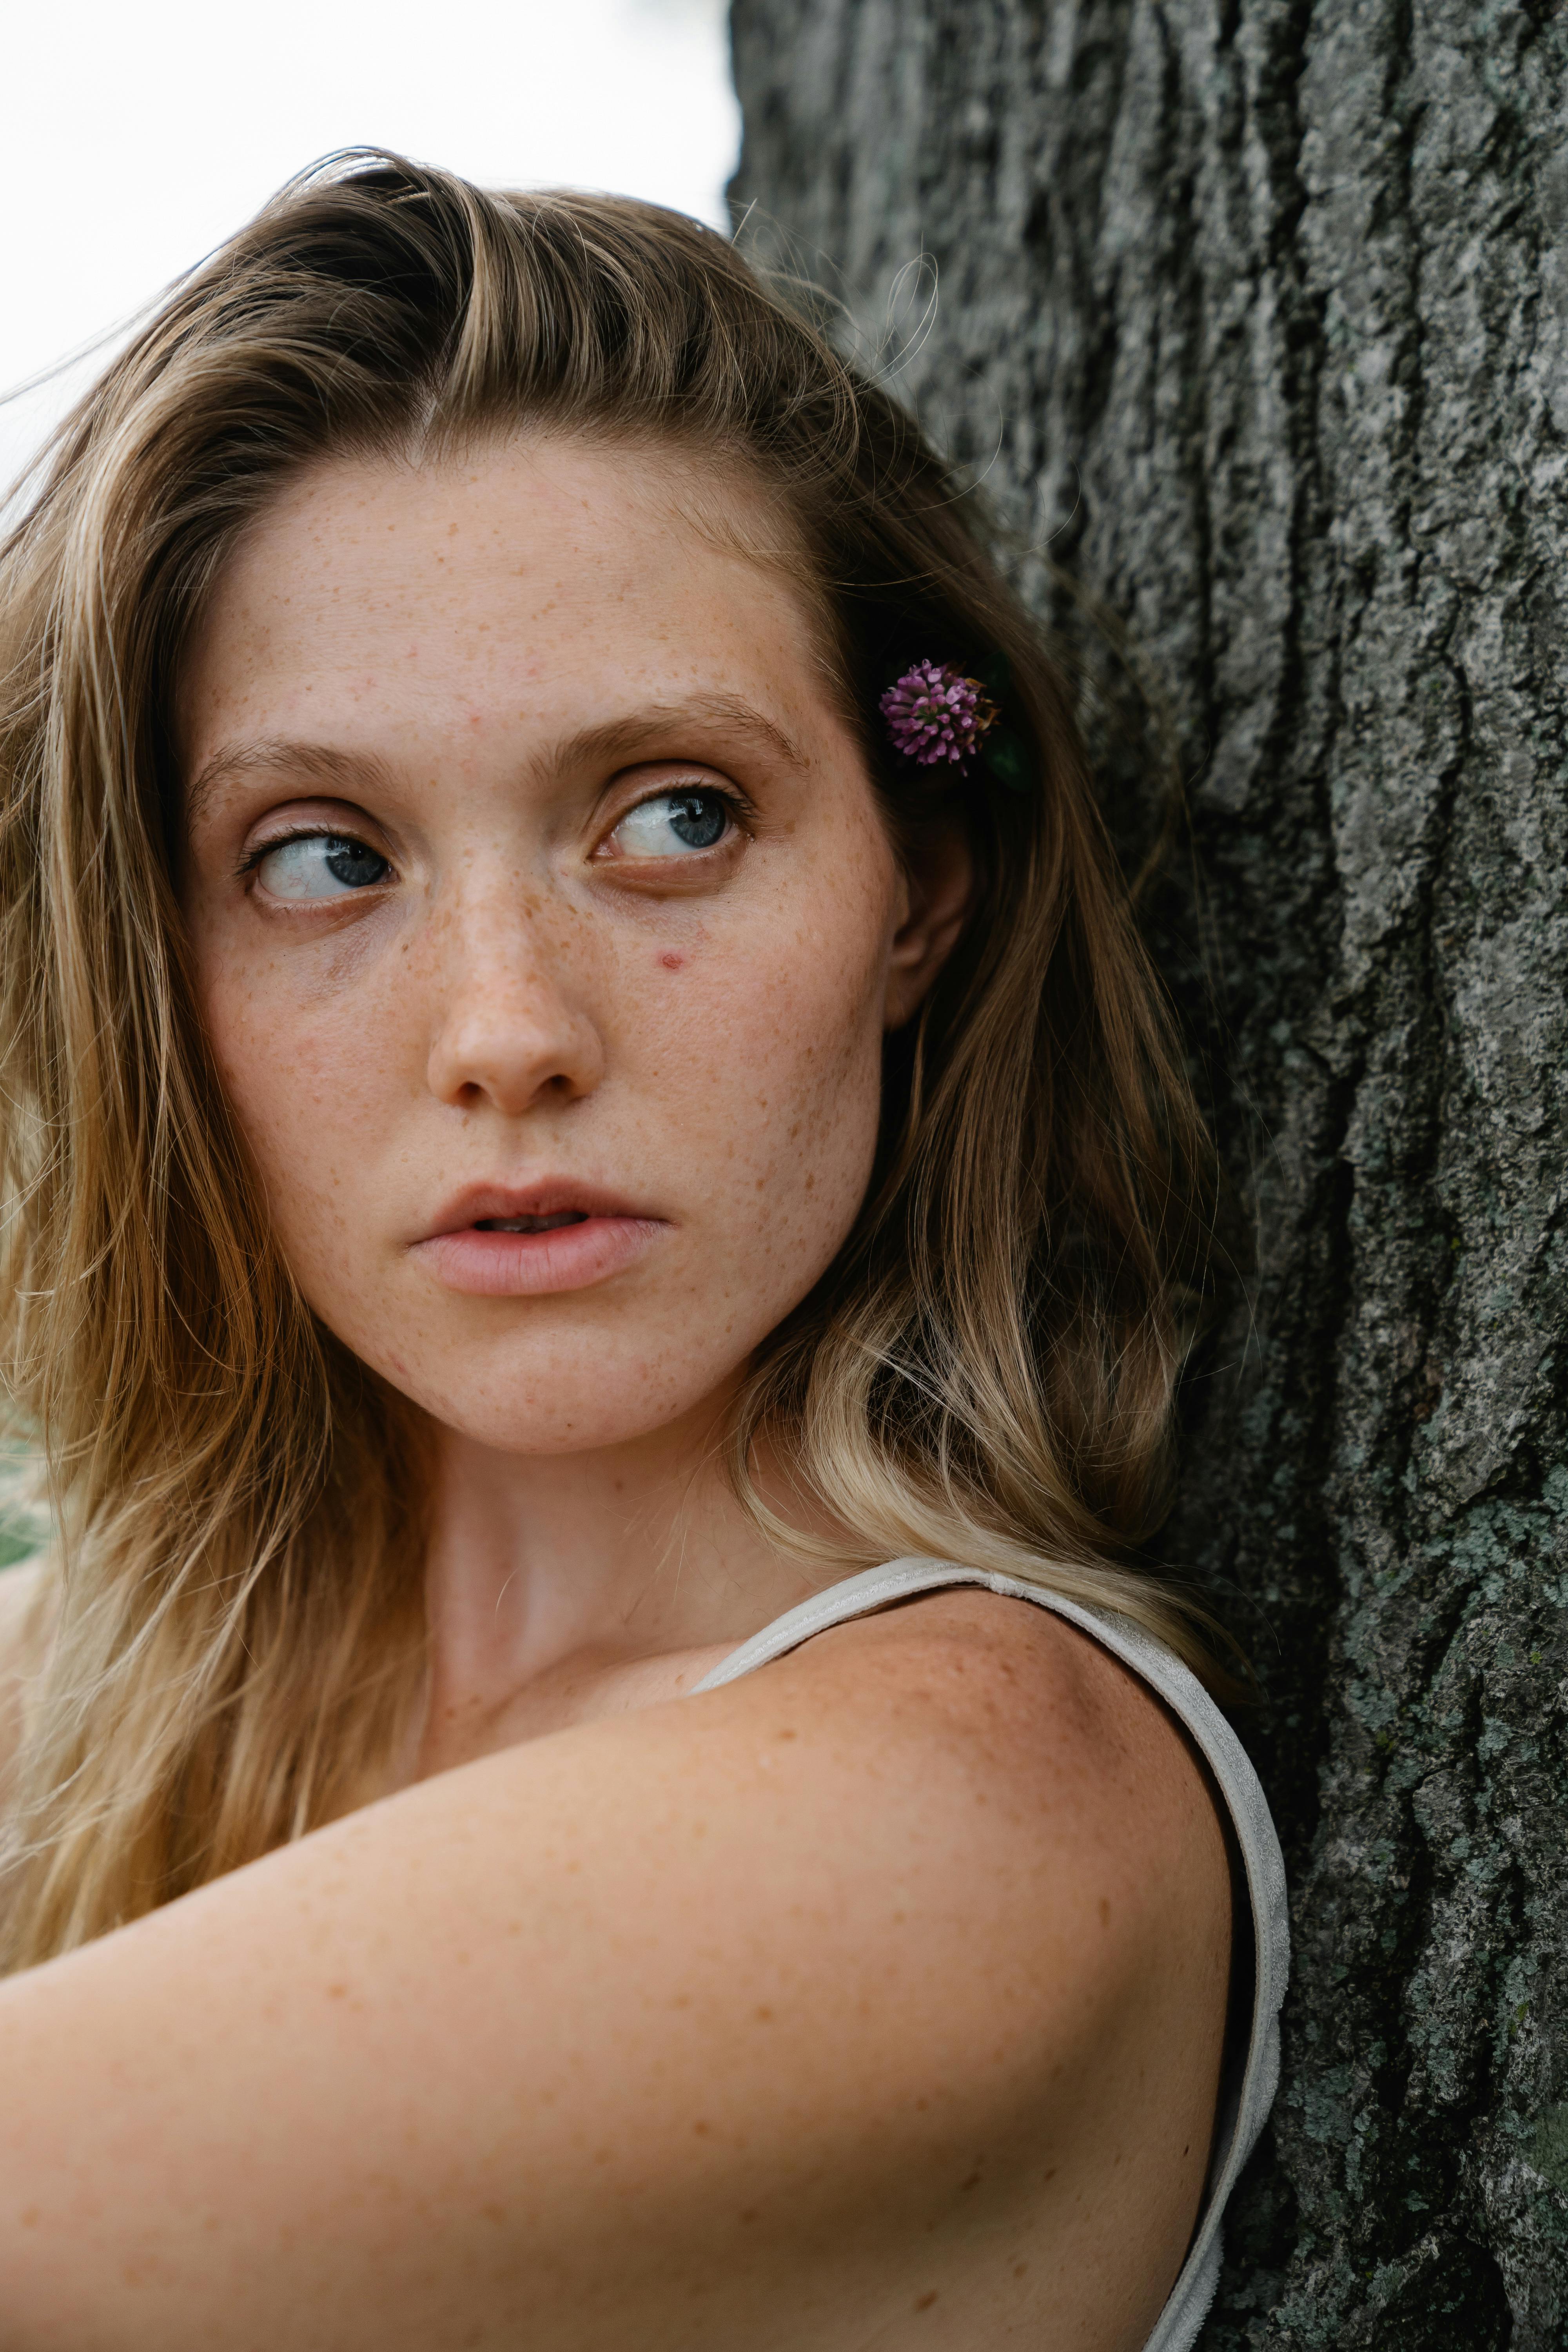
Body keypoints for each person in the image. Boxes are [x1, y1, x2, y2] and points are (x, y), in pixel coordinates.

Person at [0, 153, 1286, 2350]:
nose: (509, 1033)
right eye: (322, 858)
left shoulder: (964, 1818)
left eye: (674, 817)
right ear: (157, 976)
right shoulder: (90, 1684)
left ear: (919, 891)